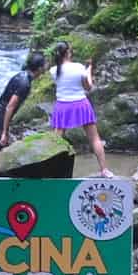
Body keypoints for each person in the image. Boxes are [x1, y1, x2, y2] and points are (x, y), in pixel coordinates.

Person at [46, 40, 110, 176]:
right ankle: (104, 169)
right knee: (94, 138)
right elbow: (88, 87)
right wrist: (89, 70)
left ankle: (50, 170)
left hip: (62, 106)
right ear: (68, 52)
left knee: (56, 140)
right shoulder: (79, 67)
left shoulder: (53, 70)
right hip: (80, 104)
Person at [0, 49, 45, 157]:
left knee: (0, 151)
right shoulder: (25, 84)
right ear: (40, 68)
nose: (46, 67)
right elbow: (10, 107)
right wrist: (4, 132)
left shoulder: (22, 75)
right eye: (44, 65)